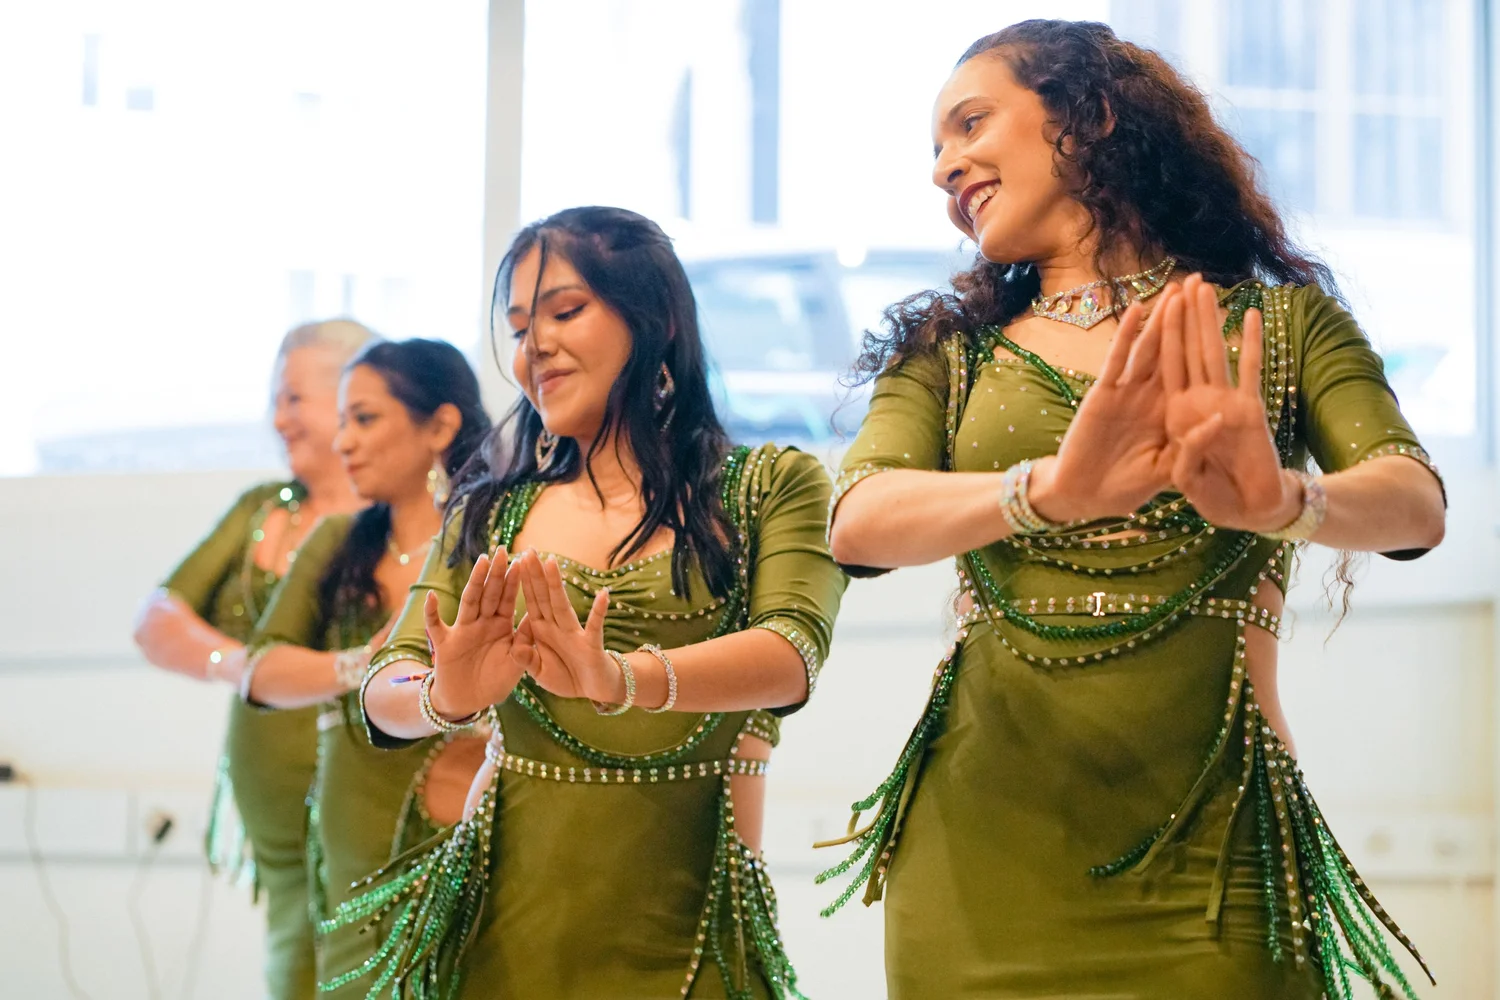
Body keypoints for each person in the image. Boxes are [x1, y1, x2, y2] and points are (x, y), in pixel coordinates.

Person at [819, 20, 1446, 1000]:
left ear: (1091, 116)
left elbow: (1413, 503)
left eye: (970, 124)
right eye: (936, 150)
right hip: (981, 860)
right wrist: (1047, 493)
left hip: (1216, 859)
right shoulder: (953, 350)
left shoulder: (1281, 324)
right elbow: (858, 518)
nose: (945, 167)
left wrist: (1285, 500)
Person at [325, 206, 847, 999]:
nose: (534, 346)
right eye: (518, 328)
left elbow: (792, 653)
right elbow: (382, 688)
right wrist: (442, 695)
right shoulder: (490, 511)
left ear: (657, 318)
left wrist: (617, 678)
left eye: (565, 311)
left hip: (692, 932)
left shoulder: (769, 486)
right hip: (503, 924)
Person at [242, 338, 492, 997]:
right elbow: (259, 672)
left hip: (467, 813)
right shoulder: (338, 542)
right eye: (342, 420)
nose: (343, 441)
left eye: (365, 418)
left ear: (440, 425)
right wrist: (365, 663)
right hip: (355, 810)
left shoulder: (492, 541)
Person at [133, 318, 373, 1000]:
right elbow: (156, 618)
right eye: (274, 401)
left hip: (372, 794)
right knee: (293, 956)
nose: (278, 420)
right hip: (273, 806)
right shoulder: (262, 512)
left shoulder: (401, 515)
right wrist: (246, 667)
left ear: (352, 395)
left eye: (294, 398)